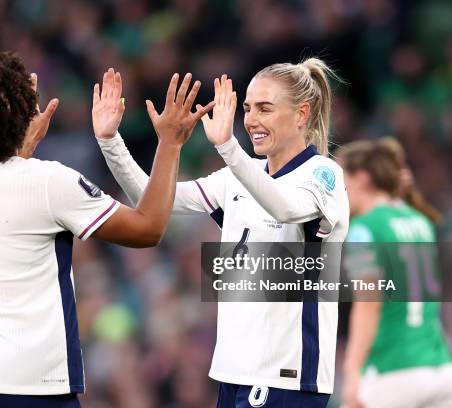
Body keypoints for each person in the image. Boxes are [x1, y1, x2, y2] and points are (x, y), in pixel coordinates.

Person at [0, 51, 214, 408]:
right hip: (29, 384)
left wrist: (19, 146)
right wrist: (170, 142)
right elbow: (148, 229)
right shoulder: (47, 182)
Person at [94, 59, 349, 407]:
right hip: (233, 375)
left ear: (301, 114)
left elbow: (285, 208)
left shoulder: (323, 175)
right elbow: (152, 199)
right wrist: (110, 140)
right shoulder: (235, 179)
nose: (252, 120)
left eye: (265, 109)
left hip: (285, 379)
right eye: (247, 108)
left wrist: (228, 147)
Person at [338, 138, 452, 408]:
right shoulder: (420, 221)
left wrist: (352, 371)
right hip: (439, 367)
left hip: (392, 370)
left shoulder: (365, 229)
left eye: (341, 181)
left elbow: (369, 302)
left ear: (362, 178)